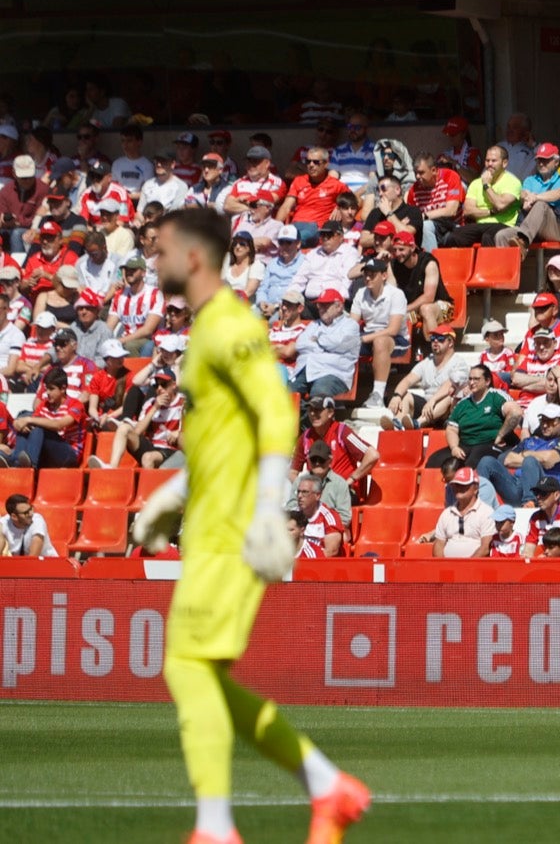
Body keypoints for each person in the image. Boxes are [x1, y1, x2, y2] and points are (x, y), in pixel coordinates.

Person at [126, 208, 368, 844]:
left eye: (162, 252)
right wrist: (171, 494)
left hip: (232, 526)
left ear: (194, 258)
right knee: (199, 672)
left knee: (186, 666)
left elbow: (272, 409)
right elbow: (220, 438)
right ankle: (326, 788)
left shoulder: (230, 322)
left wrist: (266, 507)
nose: (155, 264)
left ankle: (215, 828)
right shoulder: (210, 327)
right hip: (209, 522)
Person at [2, 493, 57, 557]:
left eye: (31, 509)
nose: (31, 514)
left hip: (46, 562)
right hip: (19, 564)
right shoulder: (4, 523)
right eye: (26, 513)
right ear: (14, 517)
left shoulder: (37, 520)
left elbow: (33, 557)